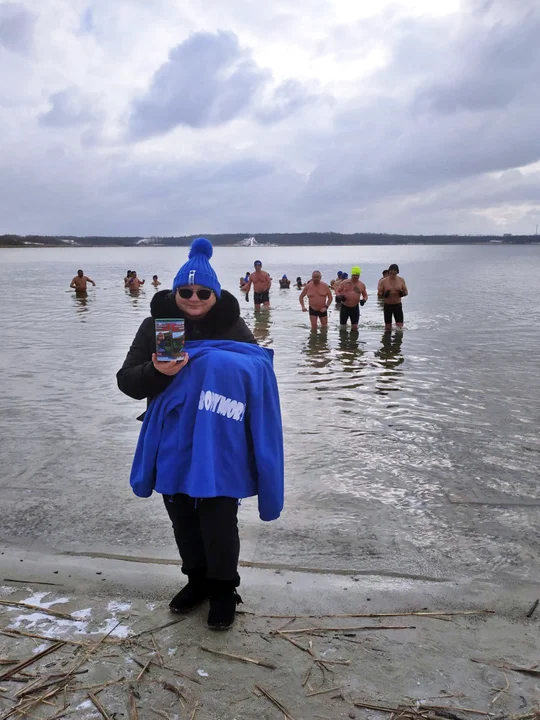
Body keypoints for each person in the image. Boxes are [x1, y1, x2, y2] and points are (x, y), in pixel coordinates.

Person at [117, 238, 283, 631]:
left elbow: (258, 369)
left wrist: (214, 366)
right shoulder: (157, 326)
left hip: (221, 438)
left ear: (215, 294)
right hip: (171, 436)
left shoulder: (231, 324)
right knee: (181, 514)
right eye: (185, 291)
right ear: (175, 292)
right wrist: (159, 372)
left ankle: (224, 589)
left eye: (202, 292)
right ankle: (196, 581)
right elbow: (127, 382)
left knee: (219, 515)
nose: (193, 298)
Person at [336, 266, 367, 331]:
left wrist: (364, 300)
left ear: (359, 275)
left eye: (357, 275)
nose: (355, 277)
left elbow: (365, 295)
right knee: (342, 327)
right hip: (345, 307)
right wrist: (339, 296)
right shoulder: (345, 282)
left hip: (355, 308)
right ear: (351, 275)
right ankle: (343, 339)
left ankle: (353, 340)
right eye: (353, 275)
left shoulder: (361, 285)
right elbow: (337, 291)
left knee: (355, 327)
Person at [380, 263, 408, 332]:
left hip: (397, 305)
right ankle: (387, 340)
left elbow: (406, 291)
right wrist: (384, 294)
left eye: (394, 270)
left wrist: (403, 293)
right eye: (391, 270)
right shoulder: (383, 281)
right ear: (389, 271)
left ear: (397, 272)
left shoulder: (401, 280)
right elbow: (379, 293)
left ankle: (398, 340)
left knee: (400, 327)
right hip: (387, 305)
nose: (393, 272)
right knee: (388, 327)